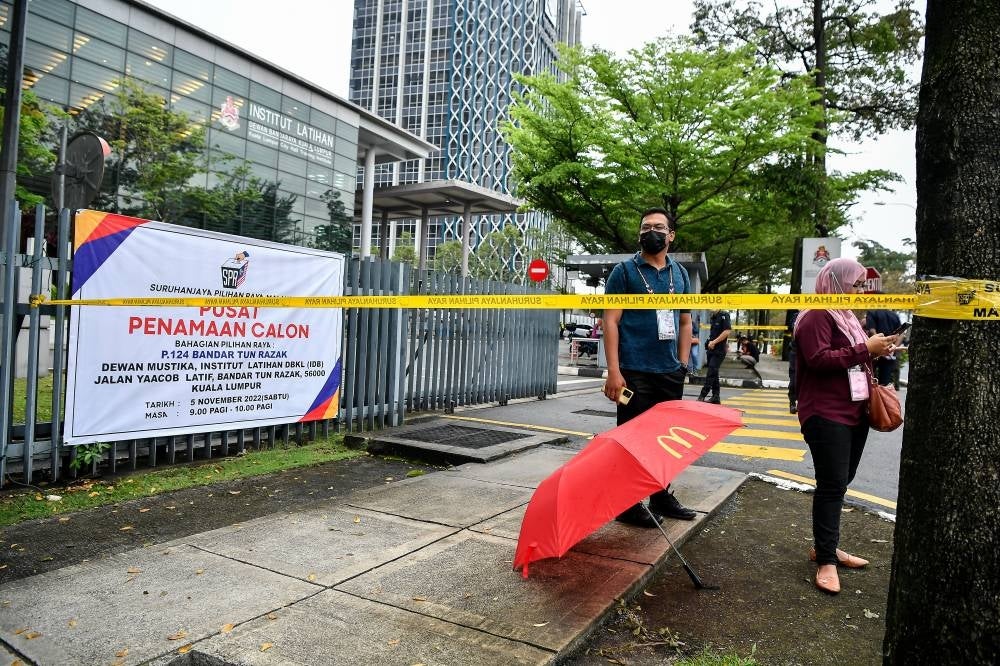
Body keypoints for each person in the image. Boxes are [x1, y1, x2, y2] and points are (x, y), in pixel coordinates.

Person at [793, 258, 898, 595]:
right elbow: (818, 359)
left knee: (841, 482)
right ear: (836, 283)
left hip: (855, 410)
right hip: (825, 413)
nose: (861, 291)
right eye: (856, 284)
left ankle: (825, 546)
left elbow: (852, 356)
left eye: (862, 285)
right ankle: (826, 559)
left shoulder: (846, 316)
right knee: (832, 484)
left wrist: (876, 350)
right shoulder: (816, 314)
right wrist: (865, 348)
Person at [603, 206, 696, 527]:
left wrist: (682, 364)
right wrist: (614, 370)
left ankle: (660, 495)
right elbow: (611, 321)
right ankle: (627, 504)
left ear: (671, 235)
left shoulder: (680, 274)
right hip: (633, 372)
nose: (650, 232)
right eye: (645, 227)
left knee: (665, 440)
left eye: (658, 227)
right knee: (631, 439)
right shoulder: (624, 272)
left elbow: (685, 322)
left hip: (669, 373)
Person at [864, 300, 902, 387]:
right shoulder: (894, 315)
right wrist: (893, 347)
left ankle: (872, 395)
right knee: (885, 381)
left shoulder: (872, 312)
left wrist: (881, 346)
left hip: (874, 351)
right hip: (889, 352)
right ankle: (882, 395)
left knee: (870, 378)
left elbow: (872, 331)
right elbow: (900, 334)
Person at [697, 309, 731, 404]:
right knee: (714, 374)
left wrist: (714, 342)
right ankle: (716, 396)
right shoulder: (713, 317)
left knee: (711, 372)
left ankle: (702, 395)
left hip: (719, 350)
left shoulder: (724, 315)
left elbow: (727, 331)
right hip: (711, 350)